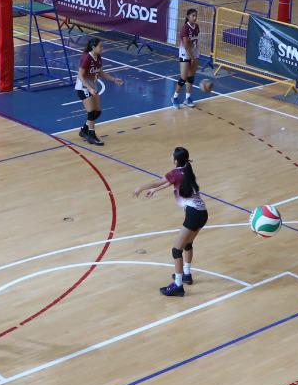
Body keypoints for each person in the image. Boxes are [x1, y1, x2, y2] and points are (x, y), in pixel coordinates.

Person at [133, 146, 207, 296]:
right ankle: (186, 275)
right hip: (202, 213)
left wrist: (141, 187)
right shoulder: (187, 168)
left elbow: (158, 182)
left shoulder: (175, 173)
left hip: (193, 214)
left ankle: (178, 286)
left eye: (172, 155)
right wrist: (155, 190)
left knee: (176, 250)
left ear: (175, 160)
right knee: (187, 244)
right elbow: (172, 182)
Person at [74, 36, 117, 147]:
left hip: (92, 87)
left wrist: (114, 79)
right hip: (83, 87)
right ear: (93, 47)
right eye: (100, 46)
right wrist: (89, 88)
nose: (102, 48)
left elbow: (101, 72)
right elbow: (80, 75)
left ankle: (84, 130)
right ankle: (91, 135)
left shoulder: (98, 57)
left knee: (97, 112)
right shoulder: (86, 58)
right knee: (92, 111)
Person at [172, 6, 201, 107]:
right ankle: (174, 97)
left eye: (196, 16)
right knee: (183, 78)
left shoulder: (196, 27)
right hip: (185, 53)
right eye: (193, 15)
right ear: (188, 17)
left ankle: (187, 98)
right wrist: (192, 57)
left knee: (191, 77)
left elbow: (195, 41)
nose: (195, 17)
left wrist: (196, 54)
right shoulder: (185, 28)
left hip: (194, 52)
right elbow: (186, 45)